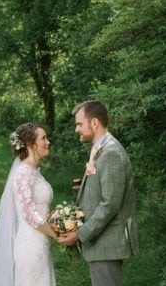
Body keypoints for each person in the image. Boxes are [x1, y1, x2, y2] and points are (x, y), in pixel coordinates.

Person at [58, 101, 139, 286]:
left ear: (94, 123)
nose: (76, 129)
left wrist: (80, 234)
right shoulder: (100, 149)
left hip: (107, 243)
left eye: (79, 124)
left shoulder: (111, 152)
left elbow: (110, 204)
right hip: (102, 242)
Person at [0, 122, 57, 286]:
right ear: (31, 144)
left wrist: (57, 220)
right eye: (44, 138)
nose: (48, 142)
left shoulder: (33, 171)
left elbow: (39, 209)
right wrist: (56, 234)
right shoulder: (23, 173)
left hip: (41, 242)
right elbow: (29, 215)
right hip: (30, 246)